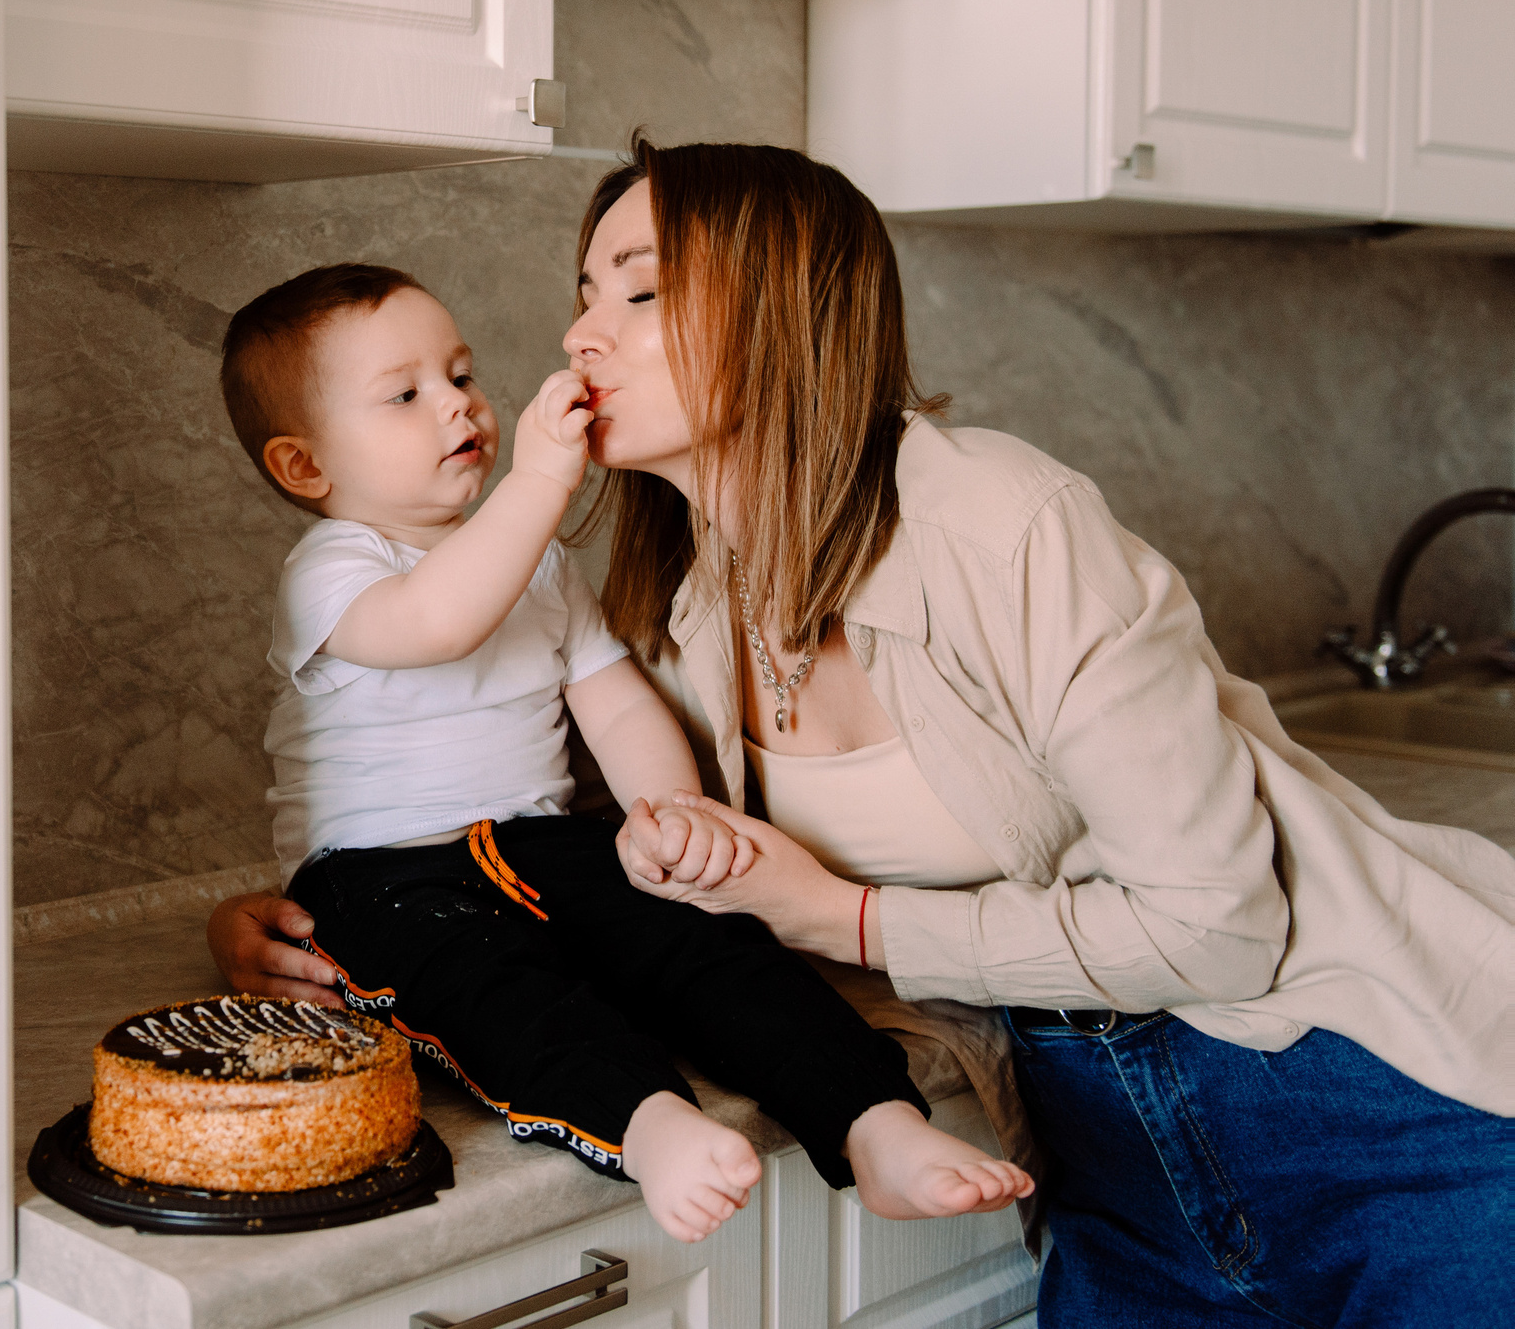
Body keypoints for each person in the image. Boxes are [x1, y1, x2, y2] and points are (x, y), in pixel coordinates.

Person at [216, 142, 1515, 1326]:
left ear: (781, 314)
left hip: (1356, 1086)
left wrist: (846, 920)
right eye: (584, 290)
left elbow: (1222, 928)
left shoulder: (1002, 523)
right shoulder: (671, 599)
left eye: (639, 292)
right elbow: (572, 859)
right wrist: (307, 911)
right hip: (1097, 1135)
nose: (575, 334)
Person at [214, 261, 1030, 1243]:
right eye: (404, 393)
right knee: (496, 993)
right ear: (306, 468)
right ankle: (649, 1127)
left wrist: (671, 810)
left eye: (462, 375)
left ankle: (874, 1120)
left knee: (710, 944)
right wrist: (541, 478)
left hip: (542, 839)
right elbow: (439, 619)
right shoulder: (332, 567)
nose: (456, 405)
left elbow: (613, 698)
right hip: (382, 876)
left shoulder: (540, 561)